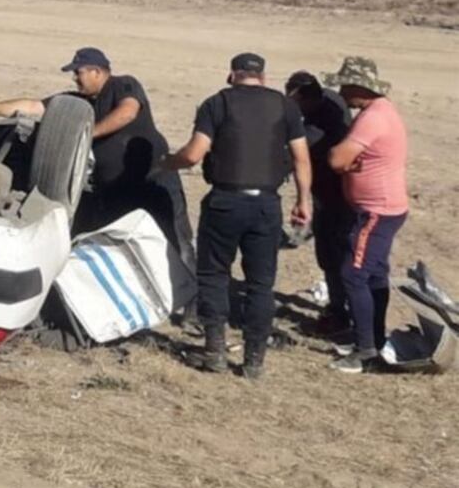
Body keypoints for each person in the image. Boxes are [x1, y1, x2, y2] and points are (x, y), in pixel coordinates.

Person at [0, 47, 196, 278]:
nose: (75, 78)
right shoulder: (77, 102)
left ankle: (193, 303)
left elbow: (127, 112)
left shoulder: (123, 84)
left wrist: (86, 133)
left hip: (152, 177)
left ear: (96, 71)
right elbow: (34, 106)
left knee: (175, 236)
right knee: (111, 242)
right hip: (114, 187)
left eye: (78, 72)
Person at [162, 53, 311, 379]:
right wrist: (303, 201)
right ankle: (254, 361)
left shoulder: (217, 103)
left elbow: (193, 155)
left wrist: (165, 163)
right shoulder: (285, 107)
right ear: (264, 78)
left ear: (232, 75)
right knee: (261, 284)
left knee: (214, 275)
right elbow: (301, 158)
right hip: (266, 205)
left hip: (225, 201)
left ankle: (215, 350)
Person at [324, 57, 408, 374]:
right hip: (385, 208)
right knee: (373, 276)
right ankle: (370, 334)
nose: (343, 92)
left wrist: (345, 162)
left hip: (375, 210)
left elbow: (336, 158)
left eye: (346, 86)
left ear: (361, 88)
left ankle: (365, 350)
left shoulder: (372, 119)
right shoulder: (382, 111)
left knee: (353, 275)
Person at [285, 71, 352, 335]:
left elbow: (294, 150)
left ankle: (341, 313)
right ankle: (340, 308)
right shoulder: (330, 99)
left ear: (304, 99)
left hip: (334, 197)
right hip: (330, 194)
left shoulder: (318, 126)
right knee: (333, 257)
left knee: (334, 256)